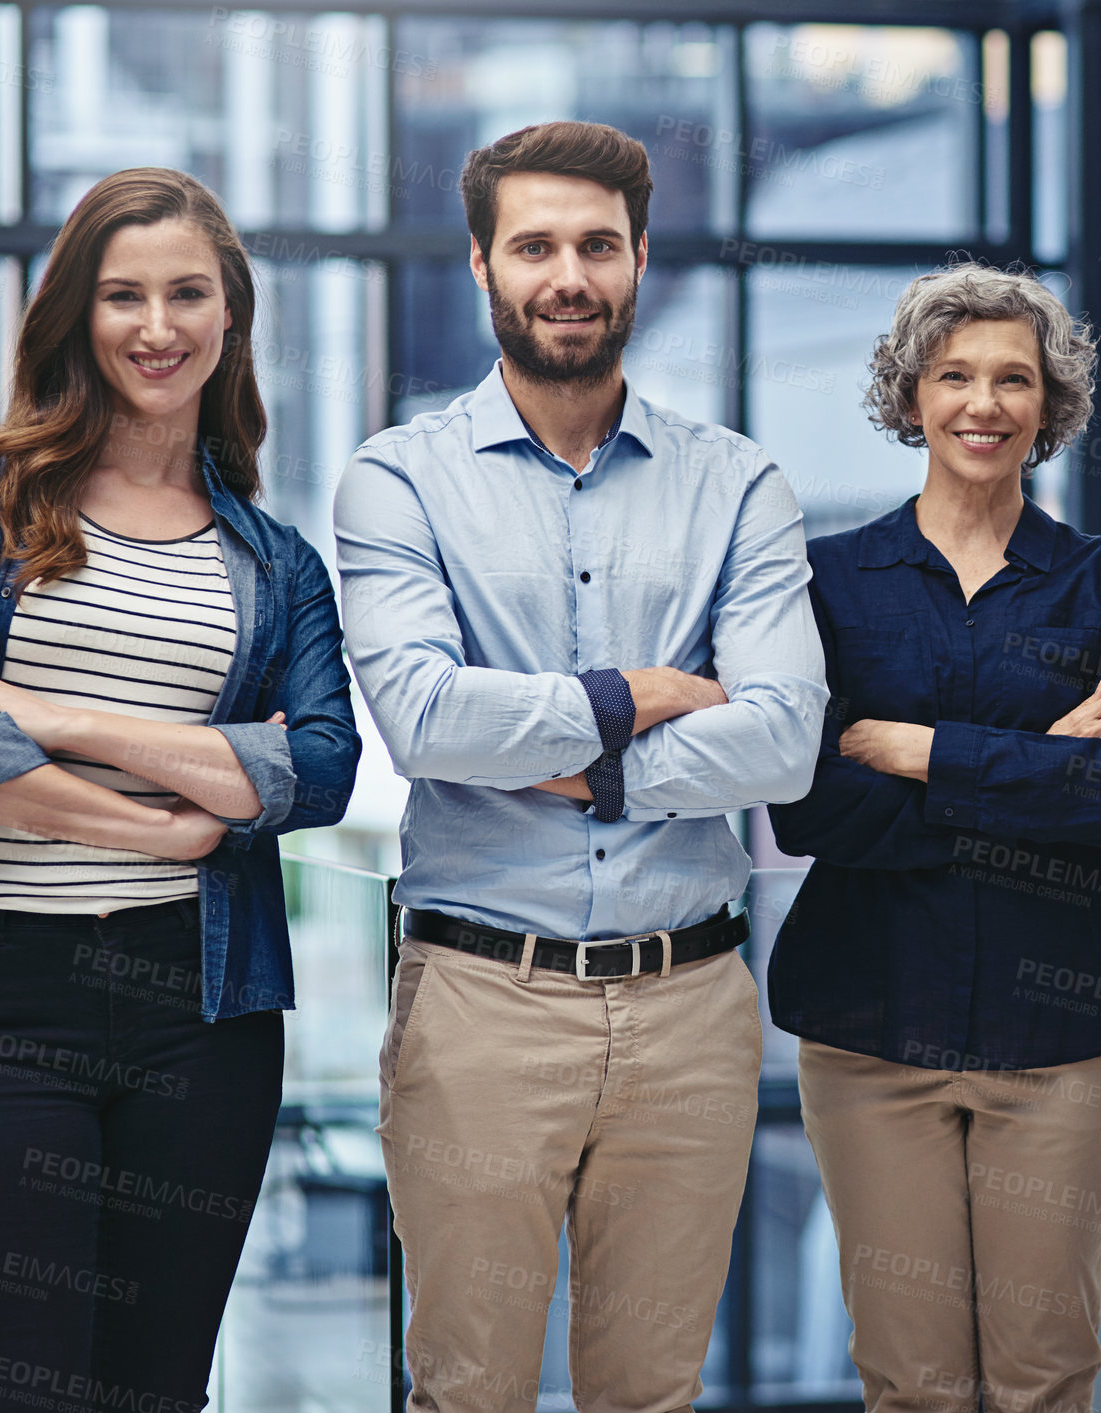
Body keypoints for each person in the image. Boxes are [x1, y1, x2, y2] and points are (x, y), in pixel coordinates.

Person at [0, 167, 360, 1413]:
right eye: (122, 295)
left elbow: (321, 768)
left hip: (205, 1014)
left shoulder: (275, 562)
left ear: (230, 314)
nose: (156, 325)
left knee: (158, 1391)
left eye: (187, 293)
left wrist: (55, 717)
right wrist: (172, 822)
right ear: (76, 315)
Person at [334, 121, 827, 1413]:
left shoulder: (737, 484)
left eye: (596, 245)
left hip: (691, 1004)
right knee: (467, 1390)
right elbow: (425, 721)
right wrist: (640, 698)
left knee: (650, 1393)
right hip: (481, 1005)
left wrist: (583, 764)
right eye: (536, 245)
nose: (569, 274)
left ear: (639, 259)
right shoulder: (400, 479)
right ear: (484, 266)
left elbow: (780, 737)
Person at [767, 263, 1101, 1413]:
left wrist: (919, 750)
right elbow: (808, 810)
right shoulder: (829, 583)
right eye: (953, 376)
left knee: (1045, 1374)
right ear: (909, 399)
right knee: (910, 1380)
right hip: (871, 1033)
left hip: (1062, 1039)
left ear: (1051, 406)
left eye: (1014, 378)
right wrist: (1040, 762)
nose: (983, 404)